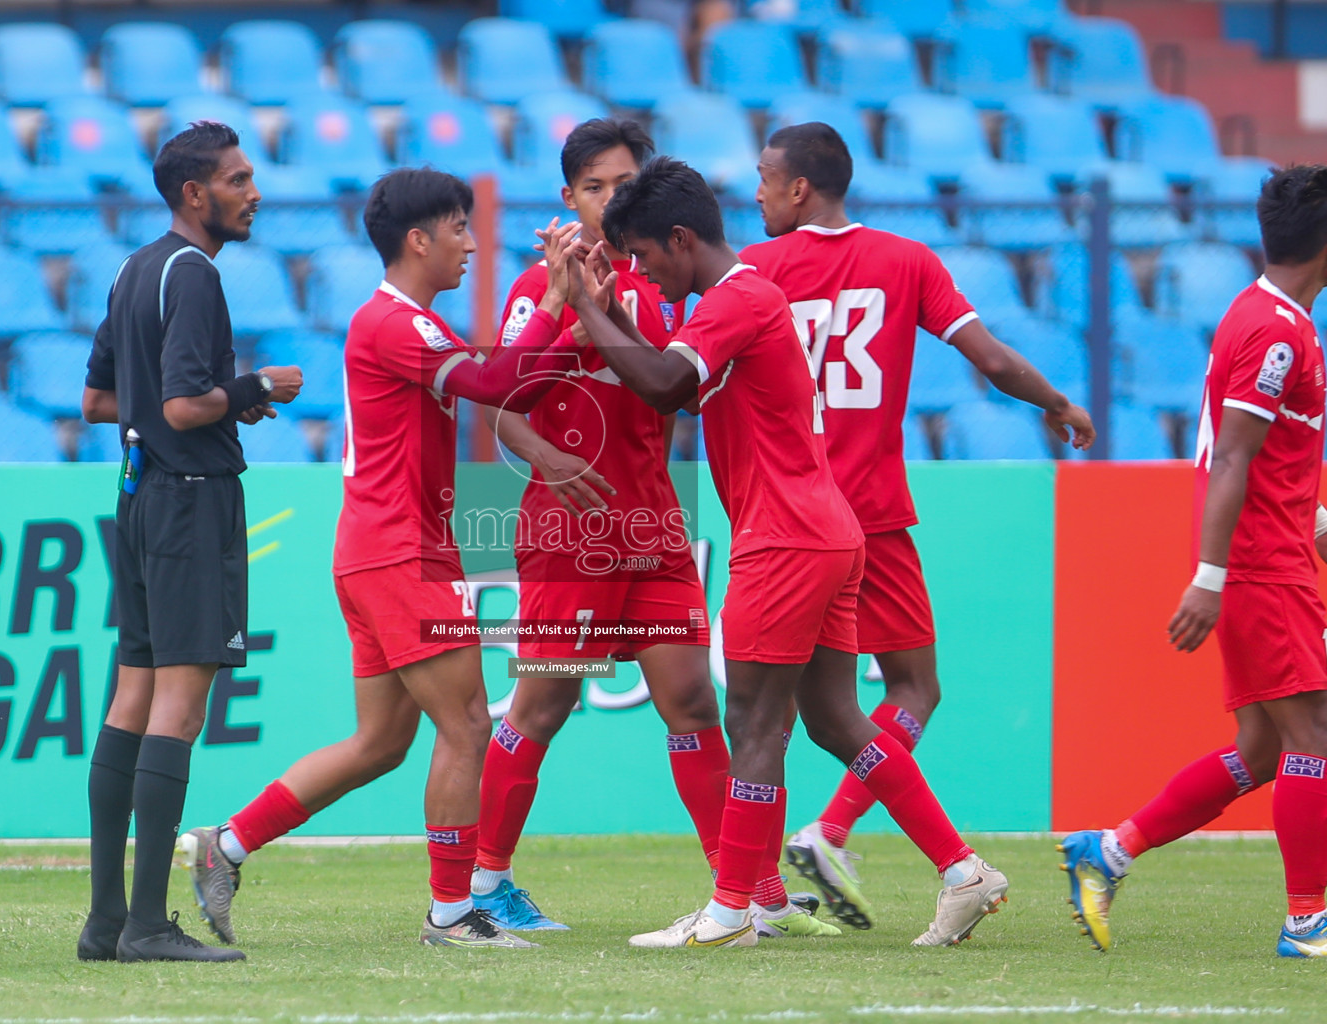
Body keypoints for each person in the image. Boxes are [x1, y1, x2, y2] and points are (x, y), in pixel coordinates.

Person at [565, 157, 1009, 948]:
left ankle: (735, 909)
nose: (638, 271)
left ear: (680, 237)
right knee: (837, 719)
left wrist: (586, 312)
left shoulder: (738, 298)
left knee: (755, 722)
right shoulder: (737, 301)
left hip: (786, 540)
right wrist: (614, 316)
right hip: (826, 529)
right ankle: (963, 871)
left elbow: (667, 385)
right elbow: (666, 372)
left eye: (643, 255)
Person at [178, 168, 588, 950]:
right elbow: (502, 382)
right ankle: (452, 914)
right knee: (467, 724)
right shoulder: (397, 325)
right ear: (418, 239)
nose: (471, 244)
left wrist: (562, 318)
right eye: (459, 228)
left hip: (382, 550)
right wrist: (554, 305)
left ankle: (224, 846)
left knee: (381, 744)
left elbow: (512, 382)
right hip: (404, 555)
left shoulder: (409, 324)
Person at [474, 119, 833, 939]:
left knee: (693, 702)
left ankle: (744, 894)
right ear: (569, 198)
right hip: (571, 530)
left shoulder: (661, 287)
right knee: (542, 705)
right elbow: (499, 403)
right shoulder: (541, 288)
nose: (608, 201)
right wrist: (546, 459)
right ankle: (483, 881)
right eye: (593, 188)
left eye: (621, 185)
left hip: (655, 527)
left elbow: (675, 391)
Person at [745, 122, 1095, 929]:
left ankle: (774, 878)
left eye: (766, 176)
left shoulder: (754, 271)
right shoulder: (906, 260)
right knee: (909, 688)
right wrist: (1057, 405)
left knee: (780, 711)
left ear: (800, 188)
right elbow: (994, 361)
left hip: (791, 517)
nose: (757, 190)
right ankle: (825, 842)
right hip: (872, 515)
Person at [1059, 164, 1327, 958]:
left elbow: (1258, 453)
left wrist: (1308, 513)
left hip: (1271, 550)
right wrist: (1211, 577)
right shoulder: (1276, 331)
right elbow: (1232, 459)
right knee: (1314, 735)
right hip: (1258, 565)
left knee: (1264, 749)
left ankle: (1107, 853)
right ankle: (1308, 920)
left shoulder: (1273, 318)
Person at [77, 120, 303, 963]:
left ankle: (106, 923)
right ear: (193, 194)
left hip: (139, 500)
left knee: (130, 701)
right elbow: (179, 406)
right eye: (238, 179)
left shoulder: (134, 268)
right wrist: (249, 386)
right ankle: (144, 926)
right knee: (179, 706)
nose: (254, 191)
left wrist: (212, 401)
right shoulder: (195, 272)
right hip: (190, 502)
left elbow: (100, 402)